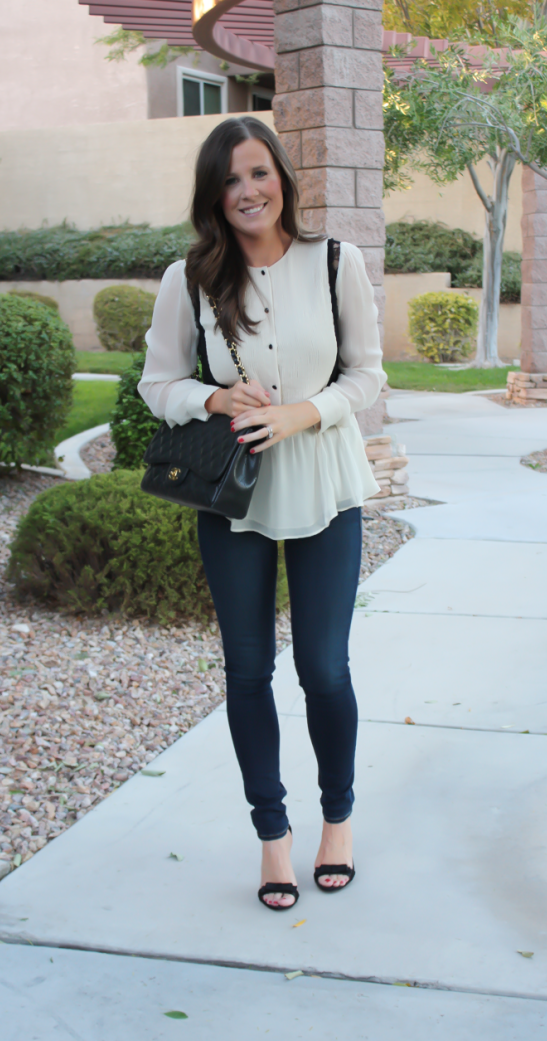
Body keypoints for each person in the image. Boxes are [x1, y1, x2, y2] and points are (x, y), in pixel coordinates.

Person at [139, 116, 386, 910]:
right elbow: (157, 384)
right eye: (230, 181)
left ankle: (337, 821)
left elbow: (367, 376)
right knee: (248, 671)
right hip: (234, 499)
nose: (247, 191)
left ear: (282, 176)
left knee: (324, 668)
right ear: (215, 196)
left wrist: (302, 414)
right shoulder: (192, 278)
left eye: (258, 173)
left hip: (324, 486)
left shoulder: (335, 262)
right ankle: (272, 838)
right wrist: (212, 396)